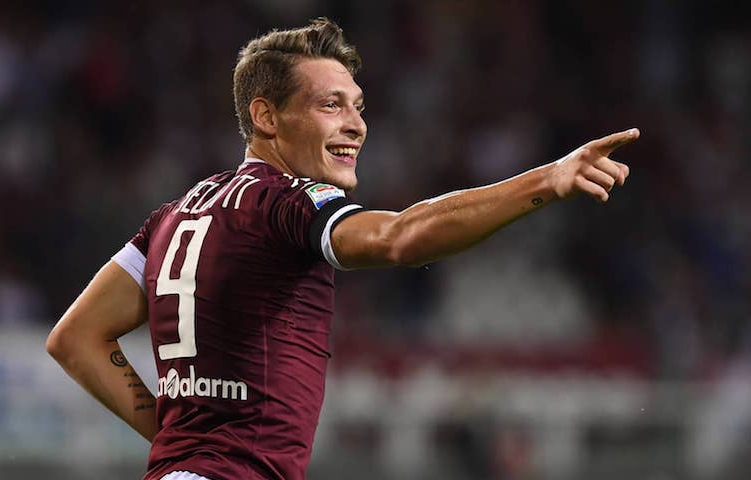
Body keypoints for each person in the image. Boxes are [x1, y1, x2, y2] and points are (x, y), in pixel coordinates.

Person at [46, 17, 639, 480]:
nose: (356, 123)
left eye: (358, 106)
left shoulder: (174, 215)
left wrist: (180, 446)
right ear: (266, 117)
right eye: (330, 104)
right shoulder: (285, 201)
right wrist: (547, 180)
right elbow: (399, 237)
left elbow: (75, 338)